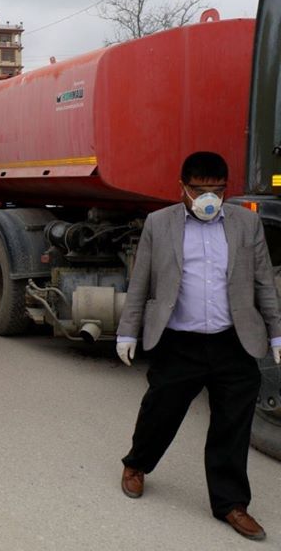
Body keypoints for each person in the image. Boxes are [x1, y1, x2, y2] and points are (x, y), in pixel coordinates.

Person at [115, 151, 281, 541]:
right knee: (160, 411)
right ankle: (137, 464)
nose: (209, 197)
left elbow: (262, 283)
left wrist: (276, 333)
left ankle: (231, 504)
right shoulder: (160, 223)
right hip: (179, 342)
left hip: (233, 342)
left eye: (217, 190)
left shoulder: (247, 223)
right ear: (183, 188)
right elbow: (140, 282)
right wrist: (127, 332)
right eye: (199, 190)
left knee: (231, 426)